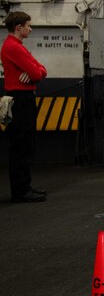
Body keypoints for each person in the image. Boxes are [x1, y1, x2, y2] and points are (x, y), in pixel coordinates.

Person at [2, 11, 48, 202]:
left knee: (25, 146)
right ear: (18, 27)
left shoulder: (18, 46)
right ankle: (21, 192)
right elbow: (38, 74)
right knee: (21, 146)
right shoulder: (13, 48)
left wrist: (33, 72)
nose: (31, 28)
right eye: (28, 25)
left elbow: (41, 70)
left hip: (23, 98)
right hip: (20, 100)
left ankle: (24, 187)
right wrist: (34, 73)